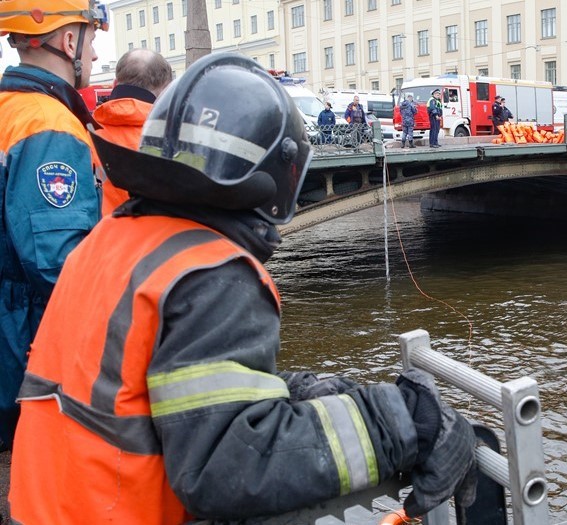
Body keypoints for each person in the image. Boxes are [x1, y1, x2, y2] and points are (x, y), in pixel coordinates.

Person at [9, 53, 477, 524]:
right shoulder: (211, 273)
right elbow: (228, 465)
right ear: (277, 174)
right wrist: (404, 422)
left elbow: (163, 387)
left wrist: (306, 391)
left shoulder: (112, 241)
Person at [0, 0, 108, 452]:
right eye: (91, 41)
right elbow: (58, 264)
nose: (96, 57)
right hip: (22, 341)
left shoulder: (8, 109)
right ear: (68, 41)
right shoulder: (49, 124)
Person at [94, 48, 173, 216]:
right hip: (153, 240)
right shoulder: (171, 142)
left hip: (97, 238)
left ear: (115, 84)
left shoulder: (83, 133)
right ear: (166, 90)